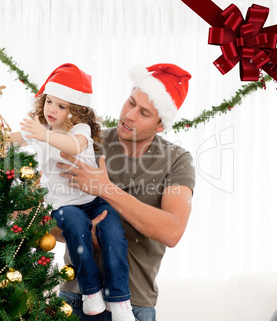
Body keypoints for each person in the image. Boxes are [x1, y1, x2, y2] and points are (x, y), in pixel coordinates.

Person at [0, 63, 135, 321]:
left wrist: (44, 135)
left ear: (76, 112)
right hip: (64, 207)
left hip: (93, 200)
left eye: (62, 106)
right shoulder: (39, 130)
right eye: (49, 102)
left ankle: (120, 300)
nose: (52, 109)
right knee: (77, 231)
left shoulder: (80, 130)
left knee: (114, 233)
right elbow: (7, 139)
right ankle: (91, 292)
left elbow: (74, 146)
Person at [53, 63, 196, 321]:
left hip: (134, 304)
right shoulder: (87, 144)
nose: (129, 115)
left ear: (160, 124)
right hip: (75, 298)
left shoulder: (176, 160)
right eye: (130, 102)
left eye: (144, 112)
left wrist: (106, 190)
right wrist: (81, 230)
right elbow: (47, 222)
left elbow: (172, 231)